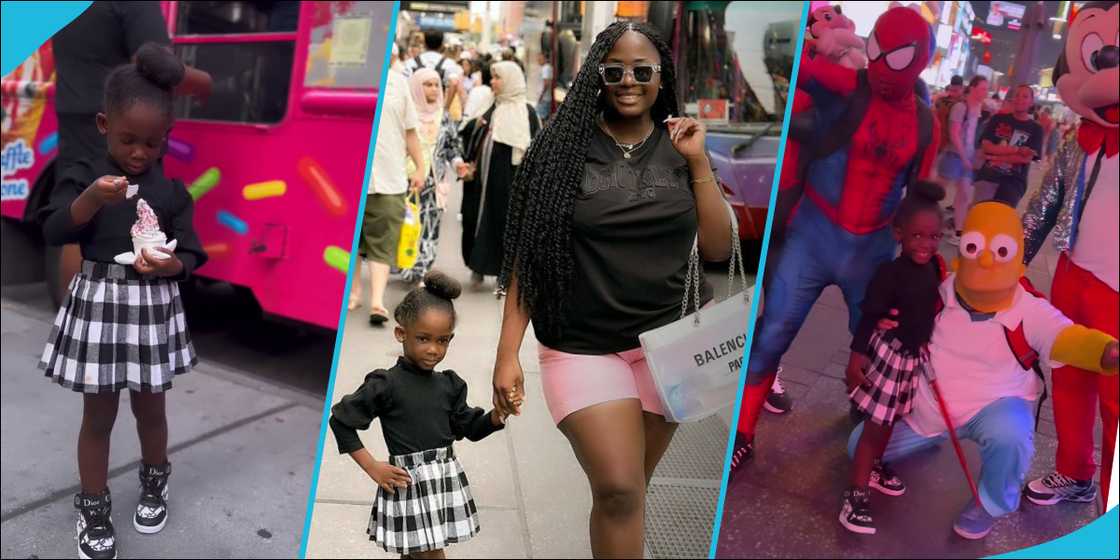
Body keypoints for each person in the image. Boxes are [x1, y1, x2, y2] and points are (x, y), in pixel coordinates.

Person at [491, 22, 732, 557]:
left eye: (642, 71)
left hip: (669, 351)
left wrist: (697, 161)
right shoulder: (561, 150)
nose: (628, 80)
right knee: (620, 488)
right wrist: (507, 354)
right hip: (582, 346)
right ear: (596, 76)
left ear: (660, 77)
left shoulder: (682, 145)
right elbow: (530, 260)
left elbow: (717, 247)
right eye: (614, 70)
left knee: (627, 496)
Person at [731, 6, 940, 472]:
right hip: (814, 232)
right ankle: (743, 431)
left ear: (922, 60)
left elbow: (919, 198)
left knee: (874, 345)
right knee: (773, 334)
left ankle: (868, 419)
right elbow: (791, 71)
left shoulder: (926, 123)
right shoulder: (848, 85)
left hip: (871, 250)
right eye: (879, 52)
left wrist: (921, 263)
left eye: (899, 56)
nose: (885, 66)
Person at [849, 202, 1118, 540]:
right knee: (858, 447)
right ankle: (928, 440)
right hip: (930, 409)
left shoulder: (1029, 308)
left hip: (992, 408)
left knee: (1012, 434)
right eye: (975, 247)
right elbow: (899, 309)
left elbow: (1067, 336)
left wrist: (1107, 351)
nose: (987, 260)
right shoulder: (941, 288)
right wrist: (887, 319)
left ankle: (990, 505)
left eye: (999, 251)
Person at [37, 43, 208, 560]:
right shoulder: (85, 176)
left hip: (152, 307)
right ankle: (93, 504)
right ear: (103, 124)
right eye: (129, 139)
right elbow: (53, 228)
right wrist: (90, 199)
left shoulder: (173, 191)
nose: (139, 153)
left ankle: (155, 480)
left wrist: (173, 266)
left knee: (151, 410)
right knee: (99, 415)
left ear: (166, 139)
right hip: (99, 304)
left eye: (152, 144)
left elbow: (194, 254)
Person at [329, 271, 510, 558]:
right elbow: (340, 420)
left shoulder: (450, 385)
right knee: (429, 555)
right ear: (401, 333)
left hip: (441, 481)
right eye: (423, 338)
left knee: (416, 555)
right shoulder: (385, 384)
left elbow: (470, 427)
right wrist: (372, 467)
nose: (433, 349)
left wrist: (496, 417)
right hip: (408, 485)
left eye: (442, 341)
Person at [1023, 1, 1119, 513]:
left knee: (1116, 403)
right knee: (1069, 380)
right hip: (1072, 276)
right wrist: (1010, 261)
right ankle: (1075, 472)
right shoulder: (1080, 142)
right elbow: (1045, 203)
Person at [49, 1, 211, 303]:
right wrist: (205, 83)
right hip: (127, 116)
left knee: (83, 215)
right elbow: (154, 65)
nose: (140, 153)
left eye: (152, 145)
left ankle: (72, 314)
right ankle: (103, 311)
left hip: (78, 112)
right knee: (124, 211)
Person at [839, 182, 946, 535]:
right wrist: (856, 360)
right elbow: (869, 316)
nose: (926, 244)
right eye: (917, 235)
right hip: (889, 357)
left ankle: (875, 466)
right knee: (875, 427)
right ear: (898, 233)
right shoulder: (890, 273)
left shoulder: (934, 268)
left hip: (912, 359)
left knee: (892, 421)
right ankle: (855, 496)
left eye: (934, 237)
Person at [350, 46, 426, 325]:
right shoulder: (353, 81)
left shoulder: (399, 85)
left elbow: (410, 132)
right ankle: (354, 292)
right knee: (354, 242)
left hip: (389, 177)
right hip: (354, 177)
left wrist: (419, 167)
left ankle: (377, 301)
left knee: (382, 242)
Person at [458, 61, 541, 291]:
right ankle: (478, 263)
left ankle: (504, 274)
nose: (492, 81)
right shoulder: (488, 106)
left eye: (497, 77)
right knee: (475, 218)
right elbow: (470, 135)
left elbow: (536, 148)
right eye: (492, 77)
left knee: (506, 223)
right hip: (482, 180)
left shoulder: (527, 113)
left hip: (510, 180)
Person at [399, 69, 464, 284]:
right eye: (428, 84)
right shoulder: (405, 113)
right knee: (406, 224)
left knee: (430, 225)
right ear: (417, 86)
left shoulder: (443, 117)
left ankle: (423, 268)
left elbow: (452, 147)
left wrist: (457, 164)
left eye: (437, 85)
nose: (434, 89)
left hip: (433, 181)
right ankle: (405, 265)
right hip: (404, 179)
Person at [972, 84, 1044, 209]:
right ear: (1012, 99)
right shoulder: (998, 119)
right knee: (979, 214)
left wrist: (996, 158)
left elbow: (1026, 159)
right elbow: (986, 146)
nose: (1020, 99)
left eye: (1025, 96)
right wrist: (1016, 151)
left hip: (1014, 181)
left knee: (1000, 218)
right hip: (988, 176)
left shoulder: (1036, 129)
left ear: (1031, 102)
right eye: (1017, 95)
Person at [939, 76, 989, 245]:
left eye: (986, 89)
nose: (985, 92)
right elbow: (954, 133)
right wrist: (963, 156)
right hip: (954, 155)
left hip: (967, 158)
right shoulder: (961, 107)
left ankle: (958, 232)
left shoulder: (980, 108)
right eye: (982, 88)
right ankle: (927, 219)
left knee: (965, 195)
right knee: (939, 190)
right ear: (973, 88)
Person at [535, 50, 554, 120]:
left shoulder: (546, 68)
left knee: (540, 118)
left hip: (544, 98)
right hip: (544, 98)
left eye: (540, 59)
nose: (538, 60)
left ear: (545, 59)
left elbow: (546, 83)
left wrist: (541, 96)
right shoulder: (546, 68)